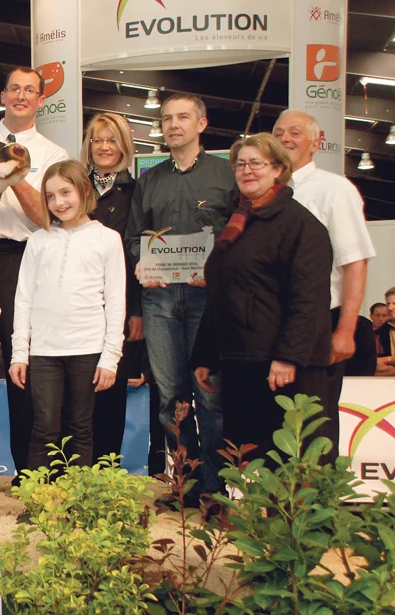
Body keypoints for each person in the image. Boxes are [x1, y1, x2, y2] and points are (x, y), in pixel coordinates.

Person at [192, 133, 332, 465]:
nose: (247, 170)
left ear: (278, 169)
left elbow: (308, 300)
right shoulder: (238, 222)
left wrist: (288, 357)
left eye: (257, 163)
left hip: (281, 367)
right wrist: (207, 355)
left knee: (287, 462)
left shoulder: (301, 225)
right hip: (242, 360)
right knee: (249, 459)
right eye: (240, 164)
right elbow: (221, 293)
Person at [125, 93, 237, 504]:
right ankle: (185, 483)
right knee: (170, 397)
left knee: (209, 394)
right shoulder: (149, 180)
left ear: (201, 124)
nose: (174, 124)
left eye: (183, 117)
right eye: (167, 118)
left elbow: (239, 236)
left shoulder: (227, 176)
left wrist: (219, 272)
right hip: (158, 299)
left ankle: (216, 487)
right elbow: (134, 237)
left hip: (207, 302)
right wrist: (141, 264)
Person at [0, 66, 69, 490]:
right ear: (2, 96)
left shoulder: (52, 154)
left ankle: (31, 469)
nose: (22, 96)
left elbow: (47, 216)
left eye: (31, 91)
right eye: (15, 89)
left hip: (18, 258)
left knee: (21, 364)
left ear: (41, 101)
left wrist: (15, 174)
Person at [10, 160, 125, 476]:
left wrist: (110, 358)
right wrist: (20, 352)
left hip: (88, 349)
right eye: (50, 196)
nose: (59, 202)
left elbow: (116, 302)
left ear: (84, 190)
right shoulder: (38, 241)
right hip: (44, 352)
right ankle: (38, 500)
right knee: (44, 425)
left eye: (65, 192)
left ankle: (77, 499)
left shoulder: (107, 239)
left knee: (81, 426)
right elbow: (24, 300)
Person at [273, 110, 375, 461]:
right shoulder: (263, 192)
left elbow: (355, 263)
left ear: (316, 142)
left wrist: (345, 330)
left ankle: (314, 513)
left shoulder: (334, 189)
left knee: (314, 427)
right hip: (273, 326)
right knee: (276, 431)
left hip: (319, 324)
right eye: (279, 131)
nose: (286, 138)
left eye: (296, 132)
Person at [81, 112, 143, 463]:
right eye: (97, 140)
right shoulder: (74, 188)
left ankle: (106, 468)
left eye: (112, 140)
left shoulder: (137, 191)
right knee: (76, 392)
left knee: (110, 389)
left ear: (125, 146)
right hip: (76, 307)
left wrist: (136, 311)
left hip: (119, 306)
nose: (104, 147)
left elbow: (140, 254)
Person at [375, 288, 395, 376]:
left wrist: (389, 359)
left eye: (394, 304)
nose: (390, 308)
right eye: (388, 304)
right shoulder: (379, 332)